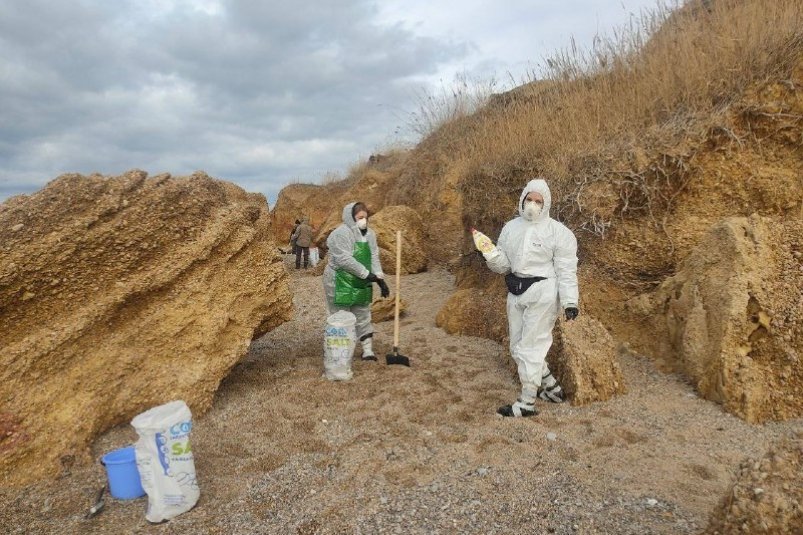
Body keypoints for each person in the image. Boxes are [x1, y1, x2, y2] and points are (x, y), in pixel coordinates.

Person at [478, 178, 579, 417]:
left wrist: (570, 301)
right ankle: (552, 389)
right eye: (529, 199)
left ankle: (527, 402)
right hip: (516, 291)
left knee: (531, 348)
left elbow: (566, 269)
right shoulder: (511, 228)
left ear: (546, 204)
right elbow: (504, 264)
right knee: (517, 347)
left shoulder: (559, 233)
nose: (532, 205)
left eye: (538, 201)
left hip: (543, 293)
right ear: (522, 199)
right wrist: (491, 255)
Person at [323, 202, 390, 361]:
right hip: (339, 280)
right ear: (350, 217)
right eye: (360, 218)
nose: (363, 221)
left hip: (361, 280)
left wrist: (379, 278)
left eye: (365, 218)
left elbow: (373, 255)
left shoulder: (370, 235)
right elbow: (344, 260)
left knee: (363, 313)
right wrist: (368, 275)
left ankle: (367, 350)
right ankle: (339, 352)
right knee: (340, 314)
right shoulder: (340, 234)